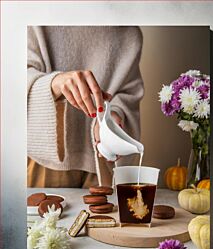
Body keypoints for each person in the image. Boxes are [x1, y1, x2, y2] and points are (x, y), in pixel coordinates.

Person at [27, 26, 144, 188]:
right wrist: (55, 82)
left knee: (104, 214)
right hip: (45, 160)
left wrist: (113, 118)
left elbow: (128, 92)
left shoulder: (129, 32)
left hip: (102, 165)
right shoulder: (36, 18)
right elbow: (12, 79)